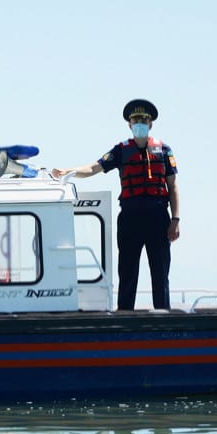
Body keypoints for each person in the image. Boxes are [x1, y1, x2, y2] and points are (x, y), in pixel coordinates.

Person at [52, 98, 180, 310]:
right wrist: (70, 171)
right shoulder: (121, 150)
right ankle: (125, 315)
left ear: (150, 124)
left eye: (143, 120)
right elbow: (95, 167)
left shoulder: (164, 151)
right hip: (130, 218)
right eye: (135, 121)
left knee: (160, 272)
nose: (139, 124)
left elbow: (173, 186)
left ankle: (163, 315)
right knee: (127, 271)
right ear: (129, 125)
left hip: (158, 218)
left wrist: (175, 220)